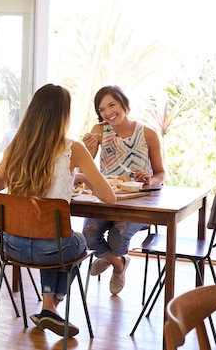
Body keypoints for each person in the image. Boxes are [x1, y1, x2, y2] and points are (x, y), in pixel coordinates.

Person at [0, 83, 116, 338]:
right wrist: (84, 176)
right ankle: (51, 306)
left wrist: (72, 177)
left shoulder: (15, 148)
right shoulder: (73, 150)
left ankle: (49, 308)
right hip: (52, 250)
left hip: (12, 247)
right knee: (72, 240)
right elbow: (109, 198)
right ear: (63, 116)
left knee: (51, 233)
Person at [79, 85, 165, 295]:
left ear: (124, 104)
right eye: (102, 109)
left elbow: (161, 174)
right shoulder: (100, 130)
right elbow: (85, 165)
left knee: (118, 238)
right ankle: (118, 264)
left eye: (112, 105)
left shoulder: (148, 134)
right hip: (106, 199)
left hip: (138, 203)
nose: (108, 113)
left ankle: (111, 256)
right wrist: (87, 148)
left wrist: (149, 180)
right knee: (88, 236)